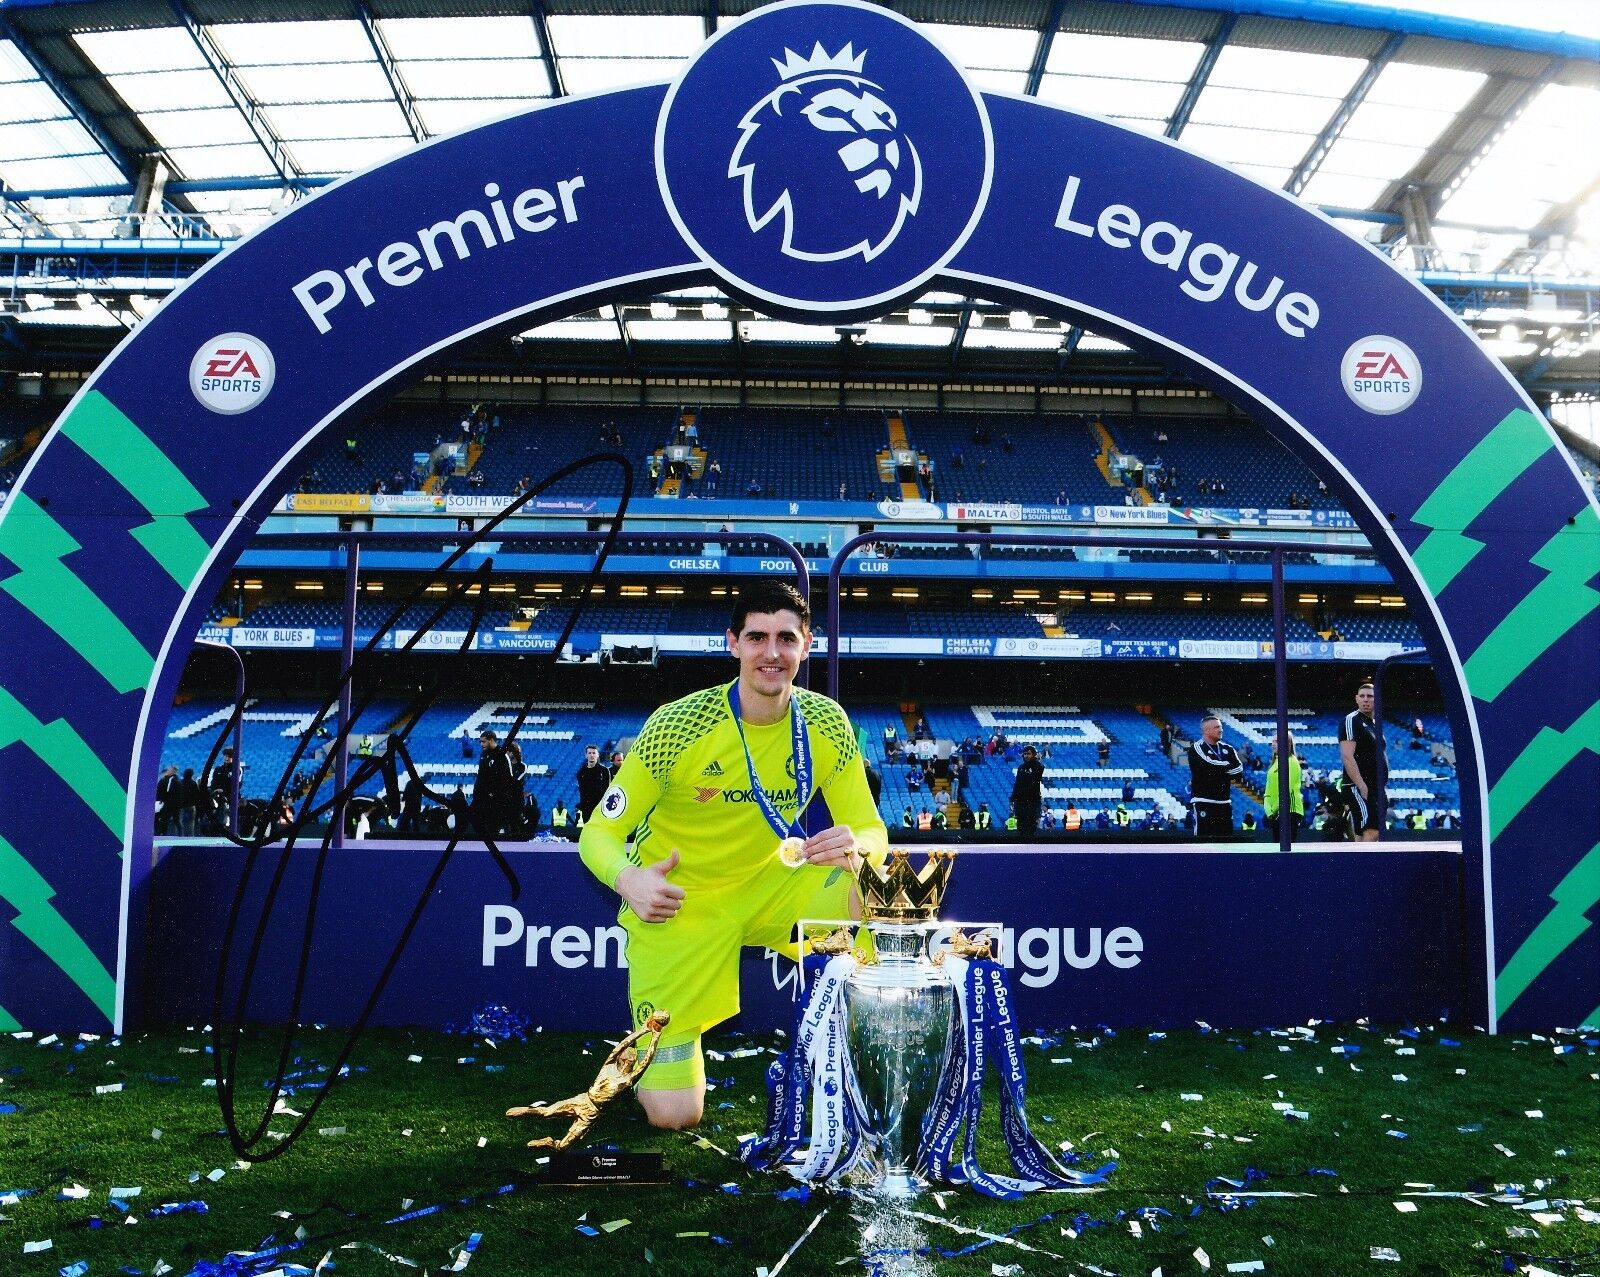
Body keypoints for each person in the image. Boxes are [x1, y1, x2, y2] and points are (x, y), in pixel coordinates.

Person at [578, 580, 886, 1131]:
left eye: (786, 639)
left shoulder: (826, 723)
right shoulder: (678, 725)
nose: (772, 653)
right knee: (675, 1117)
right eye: (757, 637)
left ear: (806, 646)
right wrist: (629, 880)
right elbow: (597, 833)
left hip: (774, 886)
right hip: (681, 903)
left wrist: (859, 848)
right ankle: (668, 1060)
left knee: (873, 891)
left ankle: (870, 1056)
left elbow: (869, 827)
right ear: (733, 644)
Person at [1338, 682, 1385, 842]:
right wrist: (1361, 785)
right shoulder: (1352, 721)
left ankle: (1356, 865)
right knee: (1372, 831)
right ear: (1356, 699)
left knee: (1362, 834)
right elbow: (1347, 756)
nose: (1366, 700)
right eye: (1362, 696)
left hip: (1375, 787)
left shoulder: (1374, 724)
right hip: (1359, 786)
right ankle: (1368, 867)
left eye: (1370, 696)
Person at [1188, 714, 1242, 840]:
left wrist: (1217, 772)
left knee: (1226, 842)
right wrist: (1226, 767)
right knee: (1203, 842)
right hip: (1203, 802)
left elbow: (1239, 769)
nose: (1221, 730)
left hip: (1225, 803)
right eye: (1217, 727)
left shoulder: (1228, 749)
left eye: (1221, 727)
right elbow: (1208, 764)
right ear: (1207, 730)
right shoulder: (1196, 748)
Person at [1262, 731, 1304, 843]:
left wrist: (1274, 809)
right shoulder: (1274, 763)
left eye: (1276, 741)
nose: (1273, 744)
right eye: (1272, 741)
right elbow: (1268, 789)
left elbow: (1287, 789)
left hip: (1289, 810)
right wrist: (1268, 810)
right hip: (1276, 812)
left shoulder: (1292, 762)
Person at [472, 730, 513, 838]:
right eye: (480, 742)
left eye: (483, 742)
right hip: (483, 799)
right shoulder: (483, 755)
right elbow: (480, 776)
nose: (481, 744)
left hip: (497, 801)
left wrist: (495, 793)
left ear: (491, 740)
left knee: (494, 829)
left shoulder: (502, 755)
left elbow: (509, 778)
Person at [1010, 744, 1045, 834]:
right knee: (1021, 826)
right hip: (1021, 802)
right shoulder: (1021, 768)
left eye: (1029, 754)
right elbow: (1017, 784)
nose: (1026, 756)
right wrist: (1012, 798)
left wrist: (1036, 761)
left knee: (1031, 826)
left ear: (1033, 755)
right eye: (1025, 754)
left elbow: (1037, 776)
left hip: (1032, 801)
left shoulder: (1038, 767)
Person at [575, 744, 613, 823]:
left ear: (597, 755)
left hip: (600, 808)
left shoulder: (604, 771)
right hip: (587, 809)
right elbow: (582, 792)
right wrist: (582, 807)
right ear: (586, 755)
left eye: (594, 753)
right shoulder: (581, 773)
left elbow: (608, 790)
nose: (592, 755)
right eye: (589, 753)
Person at [155, 764, 178, 836]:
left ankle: (159, 833)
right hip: (164, 803)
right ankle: (161, 833)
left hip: (161, 803)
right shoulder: (168, 781)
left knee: (160, 819)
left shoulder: (164, 781)